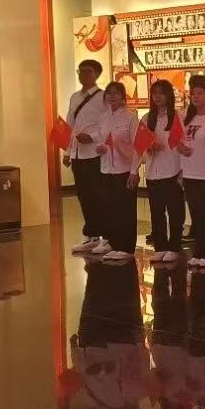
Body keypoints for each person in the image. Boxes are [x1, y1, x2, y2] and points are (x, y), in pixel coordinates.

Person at [64, 59, 109, 254]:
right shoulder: (75, 97)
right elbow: (69, 126)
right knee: (84, 196)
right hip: (77, 155)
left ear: (96, 74)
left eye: (87, 71)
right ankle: (91, 235)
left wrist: (92, 137)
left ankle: (107, 236)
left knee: (99, 196)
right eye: (80, 71)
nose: (83, 75)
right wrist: (67, 151)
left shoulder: (103, 97)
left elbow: (108, 125)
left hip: (94, 154)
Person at [93, 82, 140, 262]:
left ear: (122, 96)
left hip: (125, 170)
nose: (112, 96)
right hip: (106, 169)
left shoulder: (130, 117)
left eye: (116, 93)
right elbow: (101, 140)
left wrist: (134, 171)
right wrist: (100, 148)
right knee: (110, 209)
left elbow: (137, 146)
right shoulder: (103, 117)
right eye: (109, 93)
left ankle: (127, 247)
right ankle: (114, 243)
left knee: (125, 210)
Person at [142, 80, 186, 264]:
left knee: (175, 211)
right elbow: (139, 145)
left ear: (169, 95)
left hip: (173, 170)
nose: (157, 97)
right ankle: (160, 247)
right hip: (153, 172)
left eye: (161, 93)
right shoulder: (146, 119)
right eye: (154, 93)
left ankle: (174, 246)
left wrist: (183, 171)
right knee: (156, 212)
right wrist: (148, 148)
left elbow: (184, 143)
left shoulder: (178, 117)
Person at [180, 76, 205, 269]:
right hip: (190, 173)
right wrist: (180, 149)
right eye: (193, 93)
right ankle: (199, 251)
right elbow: (180, 141)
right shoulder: (187, 118)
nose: (195, 97)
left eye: (200, 93)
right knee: (196, 216)